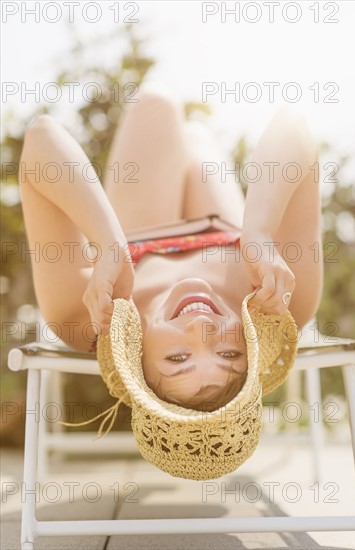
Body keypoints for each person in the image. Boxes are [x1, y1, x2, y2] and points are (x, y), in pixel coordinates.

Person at [18, 85, 323, 412]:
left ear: (139, 367)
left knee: (157, 105)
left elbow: (40, 137)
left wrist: (107, 242)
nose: (201, 329)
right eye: (229, 354)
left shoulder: (88, 316)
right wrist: (259, 235)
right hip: (223, 227)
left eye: (178, 358)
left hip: (138, 233)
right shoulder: (281, 300)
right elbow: (294, 126)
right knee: (196, 139)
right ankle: (194, 140)